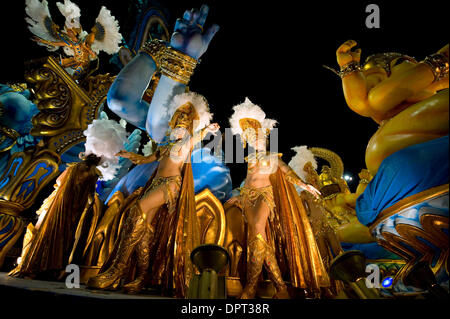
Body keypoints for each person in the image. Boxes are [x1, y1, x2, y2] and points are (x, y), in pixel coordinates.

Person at [87, 92, 220, 296]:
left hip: (170, 185)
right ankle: (142, 277)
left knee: (136, 211)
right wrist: (130, 155)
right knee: (145, 230)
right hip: (155, 183)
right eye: (179, 117)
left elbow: (198, 136)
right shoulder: (166, 145)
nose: (181, 121)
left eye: (186, 119)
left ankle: (116, 270)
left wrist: (207, 129)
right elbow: (147, 159)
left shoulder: (188, 141)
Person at [226, 98, 330, 298]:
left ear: (264, 138)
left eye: (257, 136)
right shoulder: (249, 159)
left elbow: (288, 173)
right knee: (258, 240)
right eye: (250, 137)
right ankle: (280, 287)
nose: (254, 140)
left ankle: (251, 286)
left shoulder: (273, 157)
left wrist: (304, 184)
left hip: (265, 195)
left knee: (257, 230)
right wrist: (238, 194)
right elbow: (246, 181)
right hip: (247, 197)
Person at [9, 154, 102, 279]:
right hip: (75, 209)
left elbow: (59, 181)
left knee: (45, 231)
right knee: (64, 236)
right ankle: (52, 268)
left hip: (59, 204)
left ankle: (35, 264)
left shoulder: (72, 168)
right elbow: (91, 194)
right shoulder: (93, 175)